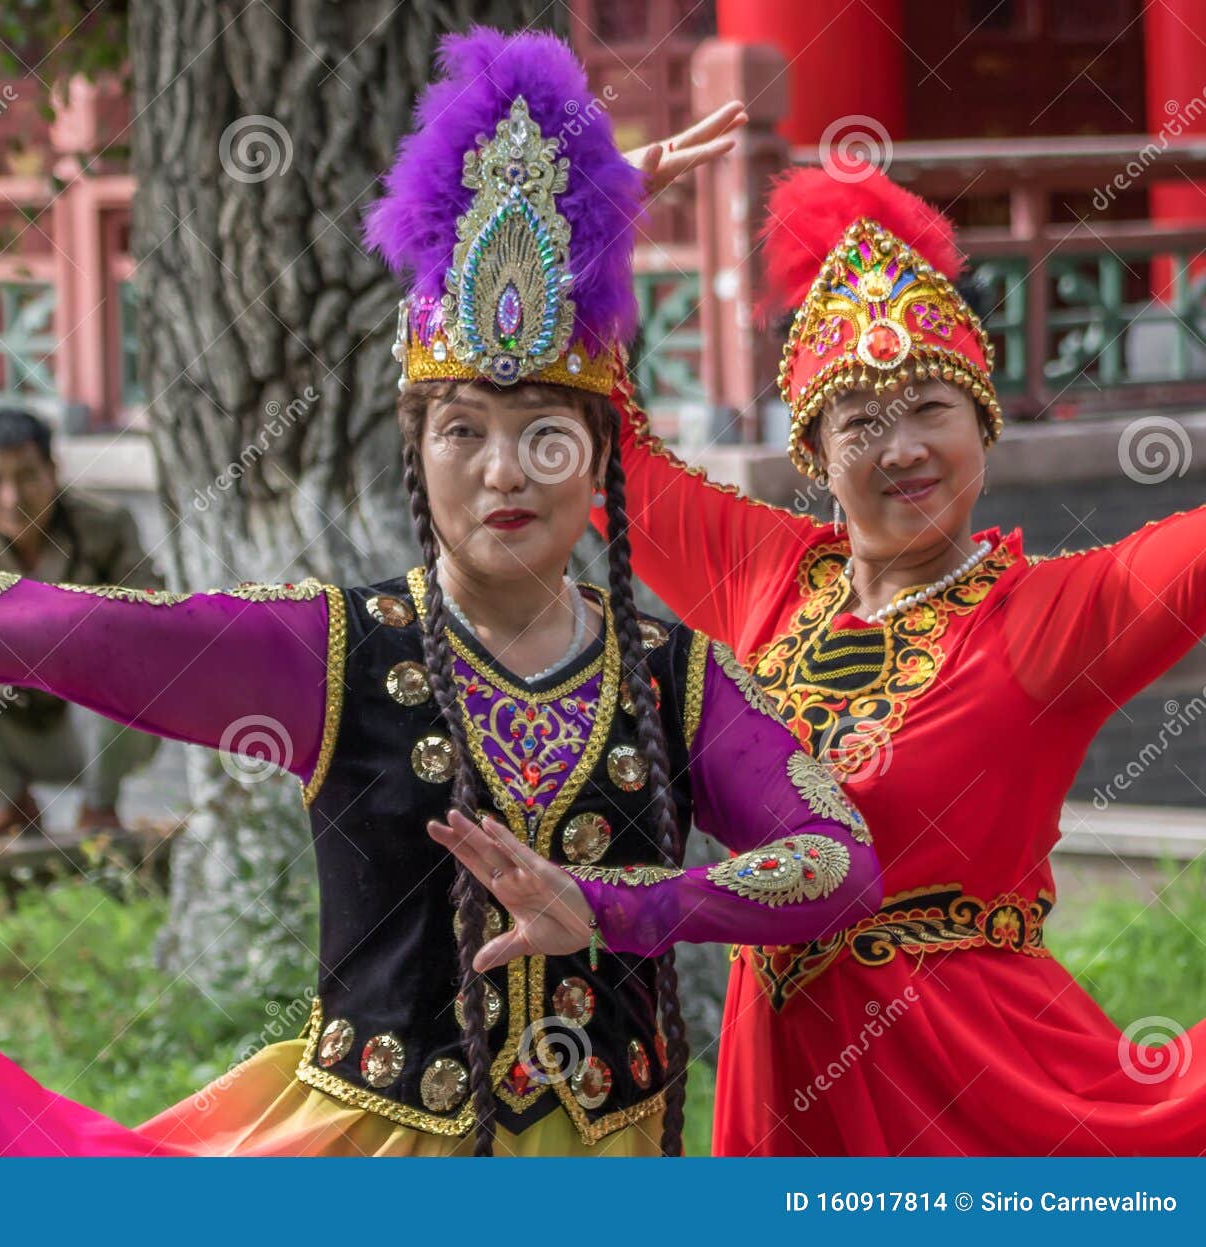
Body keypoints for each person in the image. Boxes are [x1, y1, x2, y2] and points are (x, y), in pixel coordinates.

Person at [0, 29, 877, 1158]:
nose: (504, 469)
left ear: (598, 455)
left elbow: (836, 861)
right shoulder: (333, 649)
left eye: (545, 430)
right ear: (413, 451)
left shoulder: (672, 672)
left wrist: (613, 906)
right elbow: (61, 629)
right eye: (461, 431)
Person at [455, 155, 1206, 1155]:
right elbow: (603, 445)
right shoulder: (767, 575)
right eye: (861, 420)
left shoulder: (1051, 615)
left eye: (932, 409)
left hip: (974, 1077)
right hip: (784, 1070)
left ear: (984, 425)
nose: (902, 447)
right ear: (814, 451)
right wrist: (580, 223)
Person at [0, 406, 163, 839]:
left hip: (99, 731)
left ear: (53, 471)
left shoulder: (105, 526)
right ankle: (8, 803)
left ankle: (100, 808)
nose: (13, 498)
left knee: (128, 666)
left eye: (27, 476)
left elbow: (152, 620)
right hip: (2, 725)